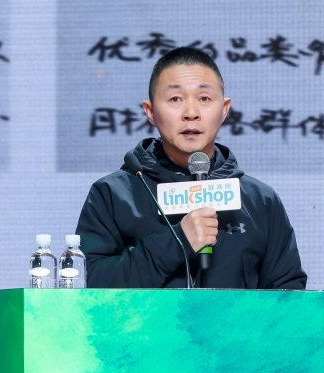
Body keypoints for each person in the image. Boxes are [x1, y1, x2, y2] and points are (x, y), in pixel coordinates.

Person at [75, 47, 307, 289]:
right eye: (175, 99)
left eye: (204, 98)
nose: (191, 113)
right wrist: (177, 242)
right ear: (150, 112)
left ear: (224, 109)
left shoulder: (260, 200)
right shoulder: (113, 194)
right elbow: (88, 284)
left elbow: (288, 294)